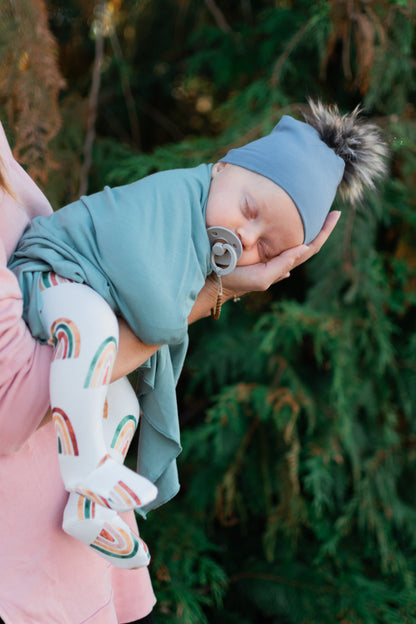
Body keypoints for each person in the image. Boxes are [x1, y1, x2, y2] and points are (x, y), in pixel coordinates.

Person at [8, 100, 387, 572]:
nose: (247, 238)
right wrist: (208, 298)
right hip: (51, 274)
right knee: (96, 327)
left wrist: (216, 288)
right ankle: (86, 469)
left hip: (80, 298)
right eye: (249, 210)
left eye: (266, 246)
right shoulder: (174, 195)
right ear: (224, 167)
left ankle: (88, 509)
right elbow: (144, 293)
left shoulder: (202, 239)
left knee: (123, 404)